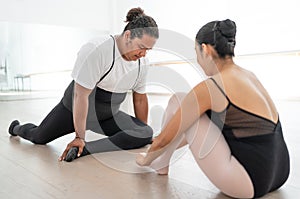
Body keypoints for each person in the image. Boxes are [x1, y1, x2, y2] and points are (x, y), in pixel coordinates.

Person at [136, 19, 290, 198]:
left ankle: (159, 162)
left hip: (249, 182)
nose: (198, 60)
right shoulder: (249, 76)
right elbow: (195, 132)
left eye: (196, 52)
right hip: (280, 172)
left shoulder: (213, 87)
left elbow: (166, 137)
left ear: (206, 49)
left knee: (179, 100)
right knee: (195, 113)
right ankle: (162, 161)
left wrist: (146, 158)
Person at [8, 7, 159, 162]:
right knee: (38, 137)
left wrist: (141, 134)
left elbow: (140, 99)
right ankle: (16, 128)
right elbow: (80, 95)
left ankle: (87, 149)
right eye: (141, 47)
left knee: (145, 132)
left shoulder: (142, 63)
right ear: (128, 36)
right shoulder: (98, 49)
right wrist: (79, 136)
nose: (144, 54)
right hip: (72, 110)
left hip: (106, 116)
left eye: (148, 50)